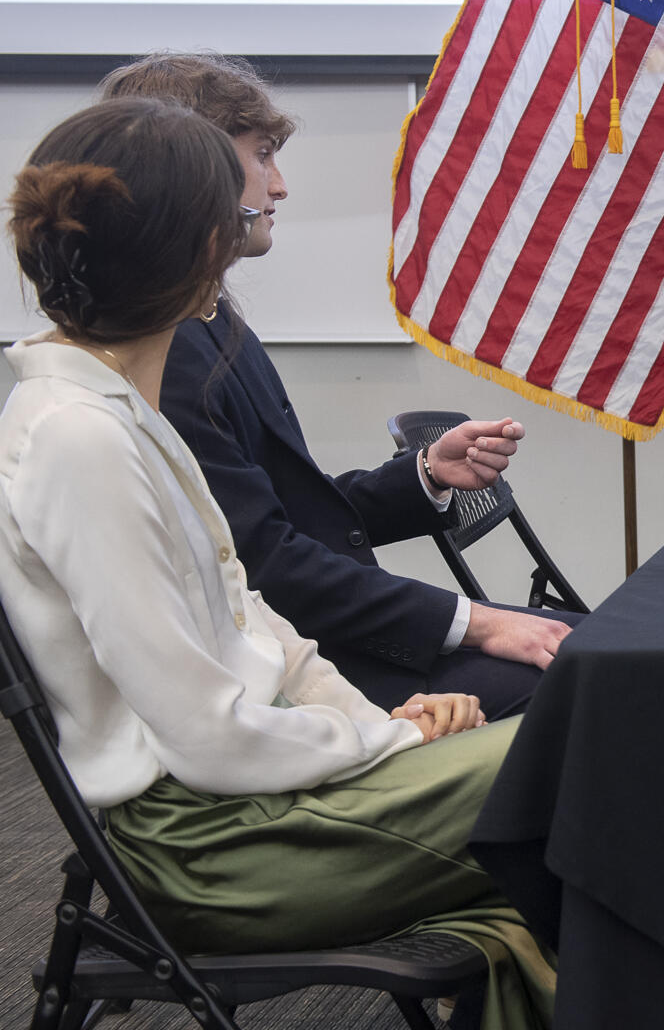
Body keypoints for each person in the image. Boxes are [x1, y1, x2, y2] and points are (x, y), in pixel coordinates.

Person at [0, 98, 553, 1029]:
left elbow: (262, 630)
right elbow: (208, 732)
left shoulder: (117, 410)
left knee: (594, 753)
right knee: (598, 750)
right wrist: (395, 741)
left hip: (265, 794)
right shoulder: (78, 438)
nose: (275, 197)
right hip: (212, 846)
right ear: (209, 255)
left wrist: (374, 721)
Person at [98, 52, 577, 718]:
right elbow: (265, 568)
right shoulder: (165, 352)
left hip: (327, 640)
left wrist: (424, 477)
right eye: (262, 155)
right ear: (194, 168)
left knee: (601, 654)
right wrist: (481, 622)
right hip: (297, 680)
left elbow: (283, 515)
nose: (281, 185)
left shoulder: (209, 319)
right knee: (590, 677)